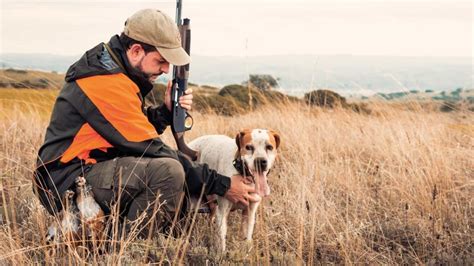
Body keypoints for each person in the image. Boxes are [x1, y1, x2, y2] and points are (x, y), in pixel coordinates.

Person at [33, 8, 257, 237]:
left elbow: (124, 131)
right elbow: (150, 147)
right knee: (168, 172)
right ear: (136, 50)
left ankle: (110, 231)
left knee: (172, 172)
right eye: (161, 60)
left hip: (89, 167)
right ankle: (120, 250)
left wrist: (164, 113)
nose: (166, 69)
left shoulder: (115, 70)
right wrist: (222, 184)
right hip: (67, 180)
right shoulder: (105, 82)